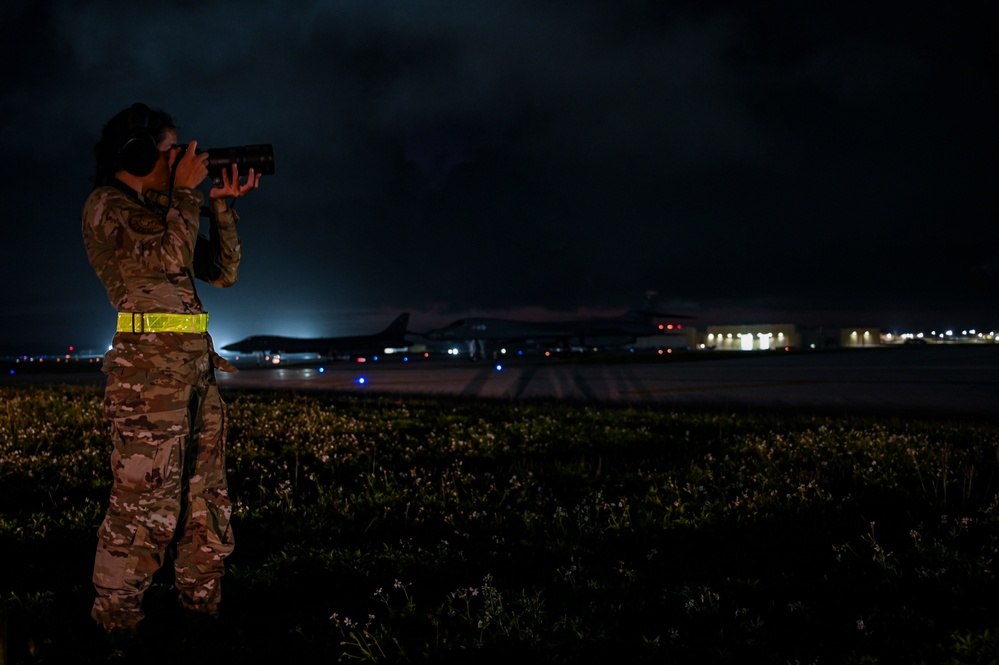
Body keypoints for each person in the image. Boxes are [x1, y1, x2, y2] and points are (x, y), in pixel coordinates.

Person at [82, 102, 261, 642]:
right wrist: (185, 195)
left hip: (193, 371)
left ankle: (201, 614)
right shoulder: (106, 207)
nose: (184, 158)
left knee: (205, 496)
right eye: (172, 149)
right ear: (137, 152)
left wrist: (222, 208)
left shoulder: (165, 208)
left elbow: (221, 272)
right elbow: (163, 259)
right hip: (147, 381)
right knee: (144, 504)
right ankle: (116, 628)